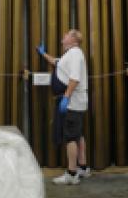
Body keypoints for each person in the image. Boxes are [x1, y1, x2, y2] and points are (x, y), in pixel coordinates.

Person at [36, 29, 90, 185]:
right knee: (78, 135)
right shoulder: (71, 54)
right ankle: (83, 167)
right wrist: (43, 54)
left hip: (72, 102)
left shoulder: (74, 53)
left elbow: (75, 78)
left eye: (66, 34)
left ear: (73, 39)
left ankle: (72, 174)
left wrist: (66, 97)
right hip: (76, 102)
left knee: (71, 138)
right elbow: (56, 62)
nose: (63, 36)